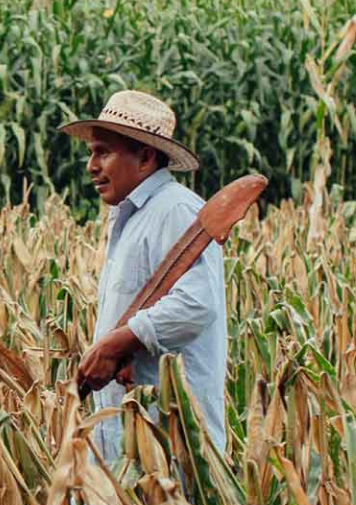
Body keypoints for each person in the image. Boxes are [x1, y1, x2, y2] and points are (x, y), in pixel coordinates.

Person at [60, 90, 229, 461]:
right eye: (91, 152)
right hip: (130, 439)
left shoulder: (176, 211)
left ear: (146, 158)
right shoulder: (132, 216)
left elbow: (195, 306)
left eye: (103, 152)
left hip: (170, 444)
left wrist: (117, 343)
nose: (91, 165)